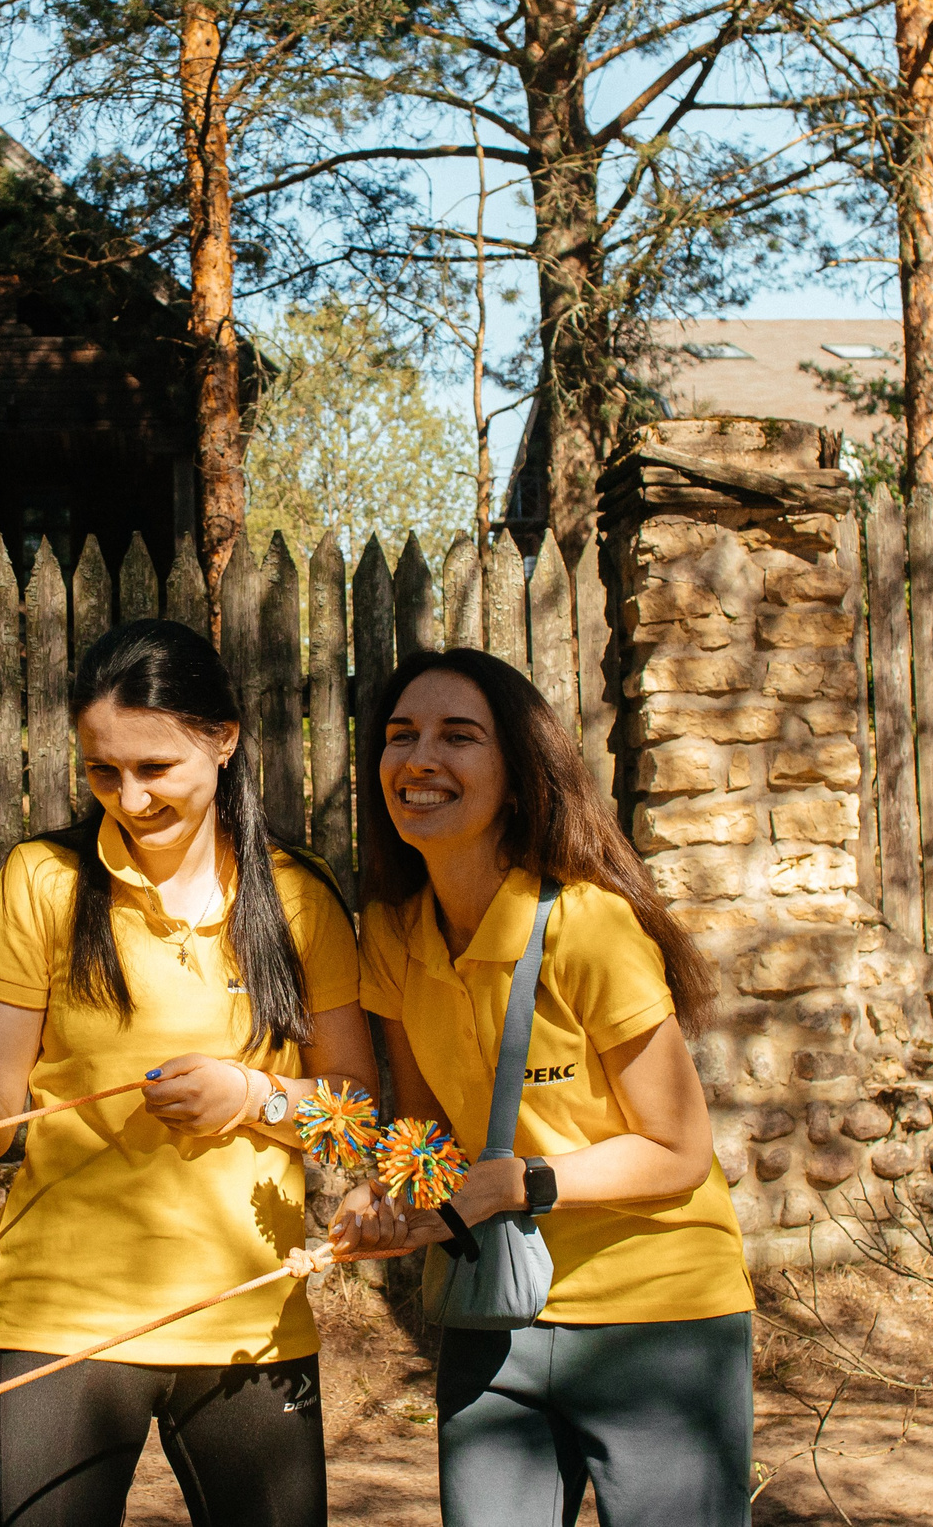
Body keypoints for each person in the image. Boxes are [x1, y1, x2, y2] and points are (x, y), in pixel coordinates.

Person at [0, 619, 379, 1527]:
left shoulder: (299, 896)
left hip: (248, 1315)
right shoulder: (42, 879)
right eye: (102, 770)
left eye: (156, 767)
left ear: (224, 739)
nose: (130, 796)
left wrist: (252, 1095)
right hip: (59, 1314)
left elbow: (357, 1107)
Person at [333, 648, 752, 1527]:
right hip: (492, 1315)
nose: (420, 759)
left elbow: (680, 1151)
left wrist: (528, 1182)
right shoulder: (392, 930)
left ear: (519, 779)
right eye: (401, 735)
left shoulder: (590, 927)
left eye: (459, 736)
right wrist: (385, 1195)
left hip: (659, 1318)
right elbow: (426, 1130)